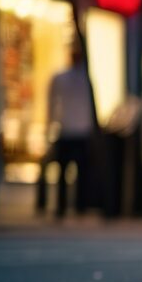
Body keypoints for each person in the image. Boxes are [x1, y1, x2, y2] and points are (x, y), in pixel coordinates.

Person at [42, 43, 95, 218]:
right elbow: (52, 104)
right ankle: (68, 207)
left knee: (76, 171)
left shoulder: (80, 78)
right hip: (70, 129)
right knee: (70, 171)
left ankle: (72, 207)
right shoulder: (68, 78)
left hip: (75, 130)